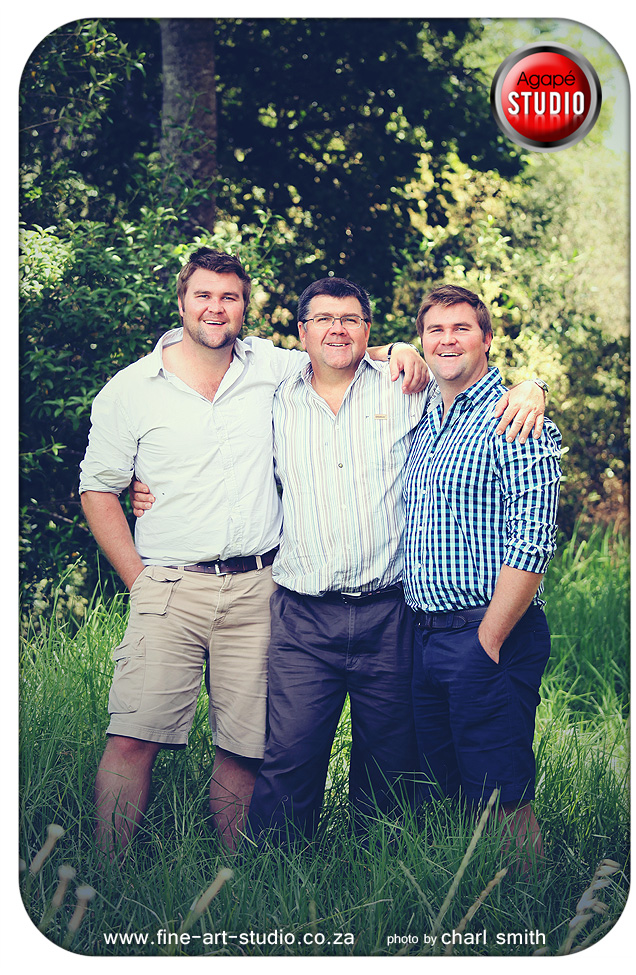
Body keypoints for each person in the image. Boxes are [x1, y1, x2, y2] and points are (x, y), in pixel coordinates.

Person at [79, 248, 426, 856]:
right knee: (134, 734)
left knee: (246, 746)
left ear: (245, 308)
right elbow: (97, 489)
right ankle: (106, 870)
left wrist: (403, 350)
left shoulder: (272, 367)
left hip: (258, 589)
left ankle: (242, 876)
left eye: (230, 297)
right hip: (170, 585)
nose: (216, 308)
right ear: (181, 303)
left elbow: (340, 350)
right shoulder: (130, 389)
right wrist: (140, 579)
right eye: (204, 296)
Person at [244, 277, 547, 846]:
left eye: (351, 320)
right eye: (324, 319)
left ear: (369, 330)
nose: (337, 330)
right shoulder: (274, 394)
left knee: (393, 766)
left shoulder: (409, 390)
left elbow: (531, 538)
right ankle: (269, 872)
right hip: (305, 616)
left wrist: (534, 386)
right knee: (289, 757)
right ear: (301, 332)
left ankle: (378, 870)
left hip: (394, 615)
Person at [402, 284, 562, 868]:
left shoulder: (516, 419)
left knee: (503, 793)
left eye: (461, 329)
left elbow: (533, 539)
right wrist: (394, 349)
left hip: (486, 632)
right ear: (422, 341)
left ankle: (530, 906)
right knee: (452, 791)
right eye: (435, 330)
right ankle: (472, 898)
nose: (447, 340)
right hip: (425, 636)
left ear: (487, 339)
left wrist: (488, 639)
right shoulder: (427, 417)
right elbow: (341, 346)